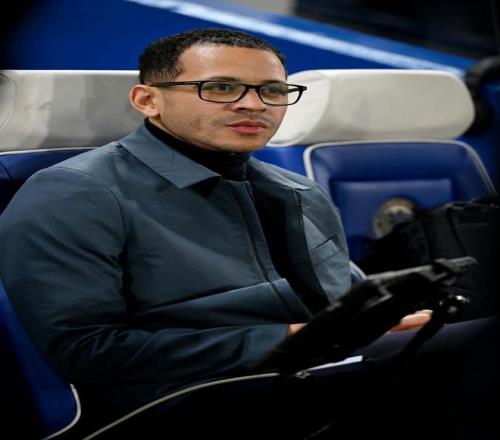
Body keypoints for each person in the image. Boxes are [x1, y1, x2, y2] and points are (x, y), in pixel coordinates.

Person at [0, 29, 497, 439]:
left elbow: (340, 297)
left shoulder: (296, 190)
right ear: (147, 99)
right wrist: (285, 339)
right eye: (221, 88)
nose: (253, 105)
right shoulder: (74, 192)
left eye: (272, 91)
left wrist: (383, 321)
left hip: (306, 371)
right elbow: (88, 351)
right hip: (176, 398)